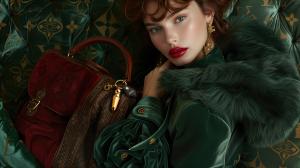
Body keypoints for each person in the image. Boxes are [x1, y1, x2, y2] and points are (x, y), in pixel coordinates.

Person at [93, 0, 300, 167]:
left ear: (208, 13)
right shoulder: (219, 65)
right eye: (155, 29)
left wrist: (149, 103)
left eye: (180, 18)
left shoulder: (202, 111)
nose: (171, 38)